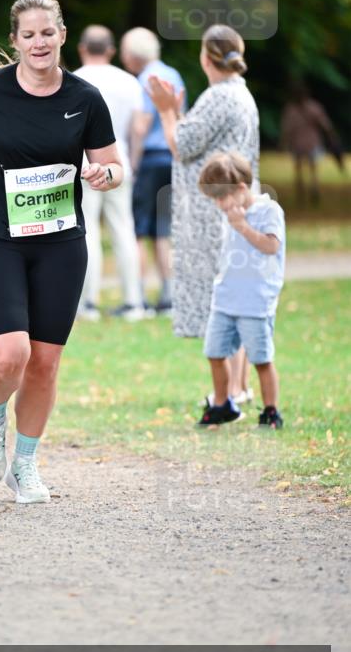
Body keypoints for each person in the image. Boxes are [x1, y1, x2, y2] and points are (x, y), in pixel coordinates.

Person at [0, 0, 123, 504]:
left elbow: (113, 164)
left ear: (63, 35)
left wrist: (105, 175)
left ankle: (26, 464)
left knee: (44, 362)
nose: (39, 42)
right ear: (15, 41)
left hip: (61, 245)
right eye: (28, 34)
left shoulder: (85, 98)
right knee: (9, 352)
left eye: (47, 32)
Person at [148, 24, 260, 404]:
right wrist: (178, 110)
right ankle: (239, 387)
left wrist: (165, 111)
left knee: (223, 300)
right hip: (234, 206)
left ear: (206, 57)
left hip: (214, 213)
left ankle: (228, 391)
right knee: (235, 296)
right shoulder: (240, 94)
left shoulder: (218, 97)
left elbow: (181, 144)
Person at [197, 152, 285, 430]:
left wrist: (243, 227)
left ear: (242, 189)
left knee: (261, 358)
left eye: (221, 198)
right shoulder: (230, 213)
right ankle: (223, 404)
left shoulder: (268, 211)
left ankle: (270, 411)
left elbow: (271, 246)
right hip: (225, 298)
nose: (219, 205)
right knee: (214, 352)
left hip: (256, 302)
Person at [73, 25, 144, 321]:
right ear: (112, 51)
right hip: (119, 163)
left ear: (81, 48)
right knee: (124, 230)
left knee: (87, 230)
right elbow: (138, 129)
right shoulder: (129, 82)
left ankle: (88, 302)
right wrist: (132, 163)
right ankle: (133, 301)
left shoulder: (75, 80)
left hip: (84, 165)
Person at [120, 27, 186, 314]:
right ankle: (169, 295)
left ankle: (138, 295)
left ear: (133, 55)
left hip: (148, 161)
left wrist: (131, 164)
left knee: (138, 229)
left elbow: (140, 125)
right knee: (164, 229)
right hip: (172, 159)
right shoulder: (173, 74)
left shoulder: (145, 80)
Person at [280, 81, 344, 205]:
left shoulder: (290, 109)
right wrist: (332, 137)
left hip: (297, 143)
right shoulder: (314, 107)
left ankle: (300, 191)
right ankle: (314, 187)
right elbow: (325, 125)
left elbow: (286, 129)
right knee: (313, 168)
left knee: (298, 168)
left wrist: (283, 143)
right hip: (312, 142)